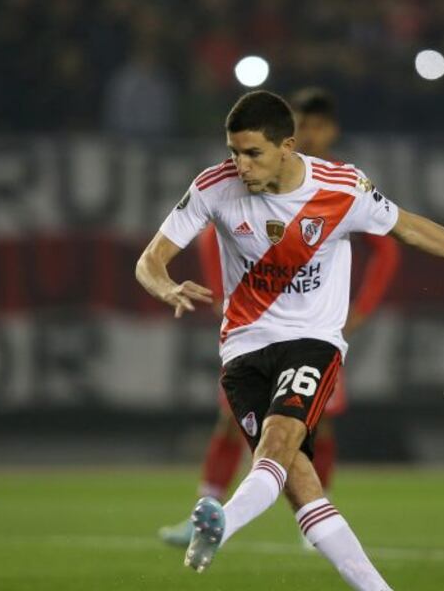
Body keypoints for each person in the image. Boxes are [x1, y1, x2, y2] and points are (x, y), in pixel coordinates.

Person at [135, 90, 444, 588]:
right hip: (242, 347)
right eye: (234, 152)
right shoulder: (213, 186)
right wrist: (167, 287)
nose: (240, 164)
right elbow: (150, 260)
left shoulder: (342, 187)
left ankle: (222, 522)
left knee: (281, 439)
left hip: (312, 340)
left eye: (253, 153)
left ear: (288, 145)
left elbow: (411, 230)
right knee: (298, 480)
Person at [158, 87, 401, 548]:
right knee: (232, 420)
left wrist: (362, 308)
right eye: (301, 123)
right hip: (256, 330)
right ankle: (204, 515)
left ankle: (313, 515)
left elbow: (388, 247)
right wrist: (222, 295)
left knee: (314, 424)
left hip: (313, 330)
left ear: (328, 131)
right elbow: (213, 235)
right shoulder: (247, 181)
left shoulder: (339, 187)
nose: (308, 133)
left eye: (315, 125)